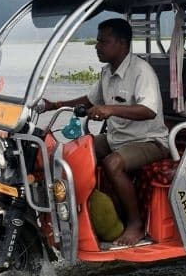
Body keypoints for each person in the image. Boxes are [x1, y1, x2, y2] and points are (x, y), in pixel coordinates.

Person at [42, 18, 169, 246]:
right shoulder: (106, 73)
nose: (97, 46)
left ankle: (135, 224)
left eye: (103, 41)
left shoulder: (141, 71)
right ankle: (77, 210)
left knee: (113, 164)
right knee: (72, 151)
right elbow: (90, 100)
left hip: (149, 141)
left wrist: (110, 109)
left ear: (121, 43)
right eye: (98, 41)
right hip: (117, 138)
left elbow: (148, 110)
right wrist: (55, 105)